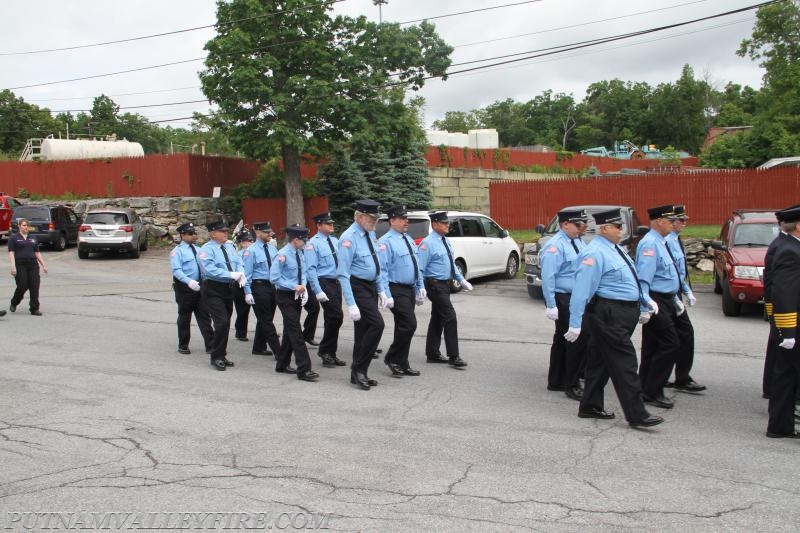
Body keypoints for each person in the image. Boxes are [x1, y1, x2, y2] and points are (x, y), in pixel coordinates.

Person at [567, 208, 663, 428]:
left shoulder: (615, 249)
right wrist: (575, 323)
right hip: (609, 315)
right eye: (617, 227)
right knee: (625, 364)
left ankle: (589, 405)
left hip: (621, 313)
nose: (621, 230)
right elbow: (581, 290)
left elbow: (631, 280)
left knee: (599, 362)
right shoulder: (595, 253)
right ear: (604, 228)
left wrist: (643, 303)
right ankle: (637, 414)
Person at [636, 204, 684, 410]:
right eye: (670, 221)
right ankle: (653, 390)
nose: (674, 224)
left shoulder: (661, 242)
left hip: (666, 298)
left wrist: (675, 298)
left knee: (653, 345)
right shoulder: (650, 244)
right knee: (670, 344)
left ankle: (644, 386)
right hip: (655, 299)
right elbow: (644, 279)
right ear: (660, 221)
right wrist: (645, 304)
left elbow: (669, 274)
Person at [540, 208, 589, 400]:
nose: (581, 228)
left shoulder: (577, 241)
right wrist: (551, 304)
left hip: (576, 297)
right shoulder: (555, 246)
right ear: (565, 224)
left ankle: (557, 380)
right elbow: (548, 277)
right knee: (574, 339)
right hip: (564, 298)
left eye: (583, 224)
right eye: (578, 225)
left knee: (563, 339)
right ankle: (572, 383)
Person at [338, 199, 387, 390]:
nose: (374, 221)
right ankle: (358, 368)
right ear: (359, 216)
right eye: (371, 218)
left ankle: (358, 374)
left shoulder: (370, 233)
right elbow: (343, 273)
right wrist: (350, 304)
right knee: (377, 324)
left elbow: (377, 264)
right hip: (357, 287)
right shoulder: (348, 238)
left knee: (363, 331)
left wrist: (381, 288)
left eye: (376, 218)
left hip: (371, 286)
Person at [418, 211, 472, 368]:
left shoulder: (445, 241)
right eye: (444, 223)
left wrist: (462, 280)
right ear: (435, 225)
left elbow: (451, 264)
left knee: (438, 317)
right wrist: (420, 288)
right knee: (450, 316)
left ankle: (432, 353)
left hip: (445, 284)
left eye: (447, 223)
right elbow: (420, 268)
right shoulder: (427, 244)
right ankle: (454, 355)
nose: (448, 225)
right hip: (434, 285)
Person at [765, 205, 800, 438]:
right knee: (786, 376)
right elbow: (784, 292)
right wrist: (787, 331)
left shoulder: (787, 245)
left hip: (788, 325)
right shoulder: (790, 250)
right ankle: (779, 426)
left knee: (786, 377)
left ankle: (779, 426)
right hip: (794, 326)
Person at [663, 205, 705, 393]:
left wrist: (686, 290)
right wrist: (677, 296)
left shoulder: (675, 239)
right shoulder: (668, 242)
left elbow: (678, 273)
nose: (684, 224)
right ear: (671, 222)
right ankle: (678, 377)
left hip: (676, 291)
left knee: (674, 337)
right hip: (669, 294)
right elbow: (668, 273)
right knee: (680, 336)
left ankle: (676, 376)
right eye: (681, 220)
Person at [378, 205, 424, 377]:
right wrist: (386, 294)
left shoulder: (408, 239)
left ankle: (402, 362)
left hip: (409, 288)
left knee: (402, 326)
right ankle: (392, 357)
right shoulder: (385, 242)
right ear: (392, 220)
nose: (407, 221)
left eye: (407, 218)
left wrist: (420, 287)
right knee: (410, 324)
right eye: (402, 218)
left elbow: (416, 265)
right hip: (395, 288)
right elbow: (382, 270)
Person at [270, 225, 320, 382]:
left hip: (297, 295)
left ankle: (282, 364)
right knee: (296, 331)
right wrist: (294, 286)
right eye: (303, 240)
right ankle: (304, 369)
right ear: (296, 240)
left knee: (289, 331)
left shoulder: (300, 253)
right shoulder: (282, 255)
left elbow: (303, 272)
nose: (305, 243)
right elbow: (274, 278)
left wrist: (303, 287)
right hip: (285, 296)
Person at [197, 221, 246, 371]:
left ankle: (221, 354)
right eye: (222, 231)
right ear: (213, 234)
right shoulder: (206, 250)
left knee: (226, 323)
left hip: (228, 288)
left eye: (226, 231)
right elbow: (210, 270)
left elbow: (238, 261)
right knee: (221, 322)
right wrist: (231, 274)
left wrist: (240, 273)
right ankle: (216, 356)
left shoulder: (229, 246)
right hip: (213, 288)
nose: (226, 233)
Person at [305, 212, 346, 368]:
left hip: (336, 282)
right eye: (328, 224)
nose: (331, 226)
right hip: (324, 282)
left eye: (332, 223)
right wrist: (317, 290)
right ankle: (325, 351)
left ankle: (330, 352)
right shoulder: (312, 244)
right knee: (336, 316)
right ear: (319, 225)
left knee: (333, 318)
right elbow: (311, 269)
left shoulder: (335, 241)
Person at [169, 222, 213, 355]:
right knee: (184, 317)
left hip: (200, 286)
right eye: (190, 234)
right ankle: (183, 344)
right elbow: (177, 271)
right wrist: (188, 282)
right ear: (182, 235)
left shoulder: (199, 249)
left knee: (204, 316)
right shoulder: (177, 252)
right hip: (185, 288)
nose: (194, 236)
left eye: (195, 233)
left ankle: (211, 345)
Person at [243, 221, 282, 358]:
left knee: (266, 317)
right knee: (266, 319)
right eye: (266, 232)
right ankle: (279, 351)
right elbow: (246, 275)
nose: (269, 234)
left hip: (272, 286)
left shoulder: (272, 249)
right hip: (258, 286)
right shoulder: (251, 251)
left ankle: (258, 347)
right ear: (258, 233)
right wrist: (247, 292)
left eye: (269, 231)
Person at [8, 218, 48, 316]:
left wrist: (44, 265)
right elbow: (11, 253)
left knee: (34, 285)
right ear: (19, 226)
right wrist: (13, 266)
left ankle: (34, 308)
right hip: (20, 264)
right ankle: (14, 302)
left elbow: (37, 252)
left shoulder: (33, 238)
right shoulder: (13, 238)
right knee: (22, 285)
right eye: (24, 225)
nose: (26, 227)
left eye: (27, 225)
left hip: (32, 264)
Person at [232, 229, 254, 342]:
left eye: (251, 240)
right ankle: (241, 331)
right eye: (247, 241)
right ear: (241, 243)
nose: (250, 243)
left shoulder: (253, 253)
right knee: (243, 310)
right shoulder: (238, 255)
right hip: (241, 284)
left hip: (253, 283)